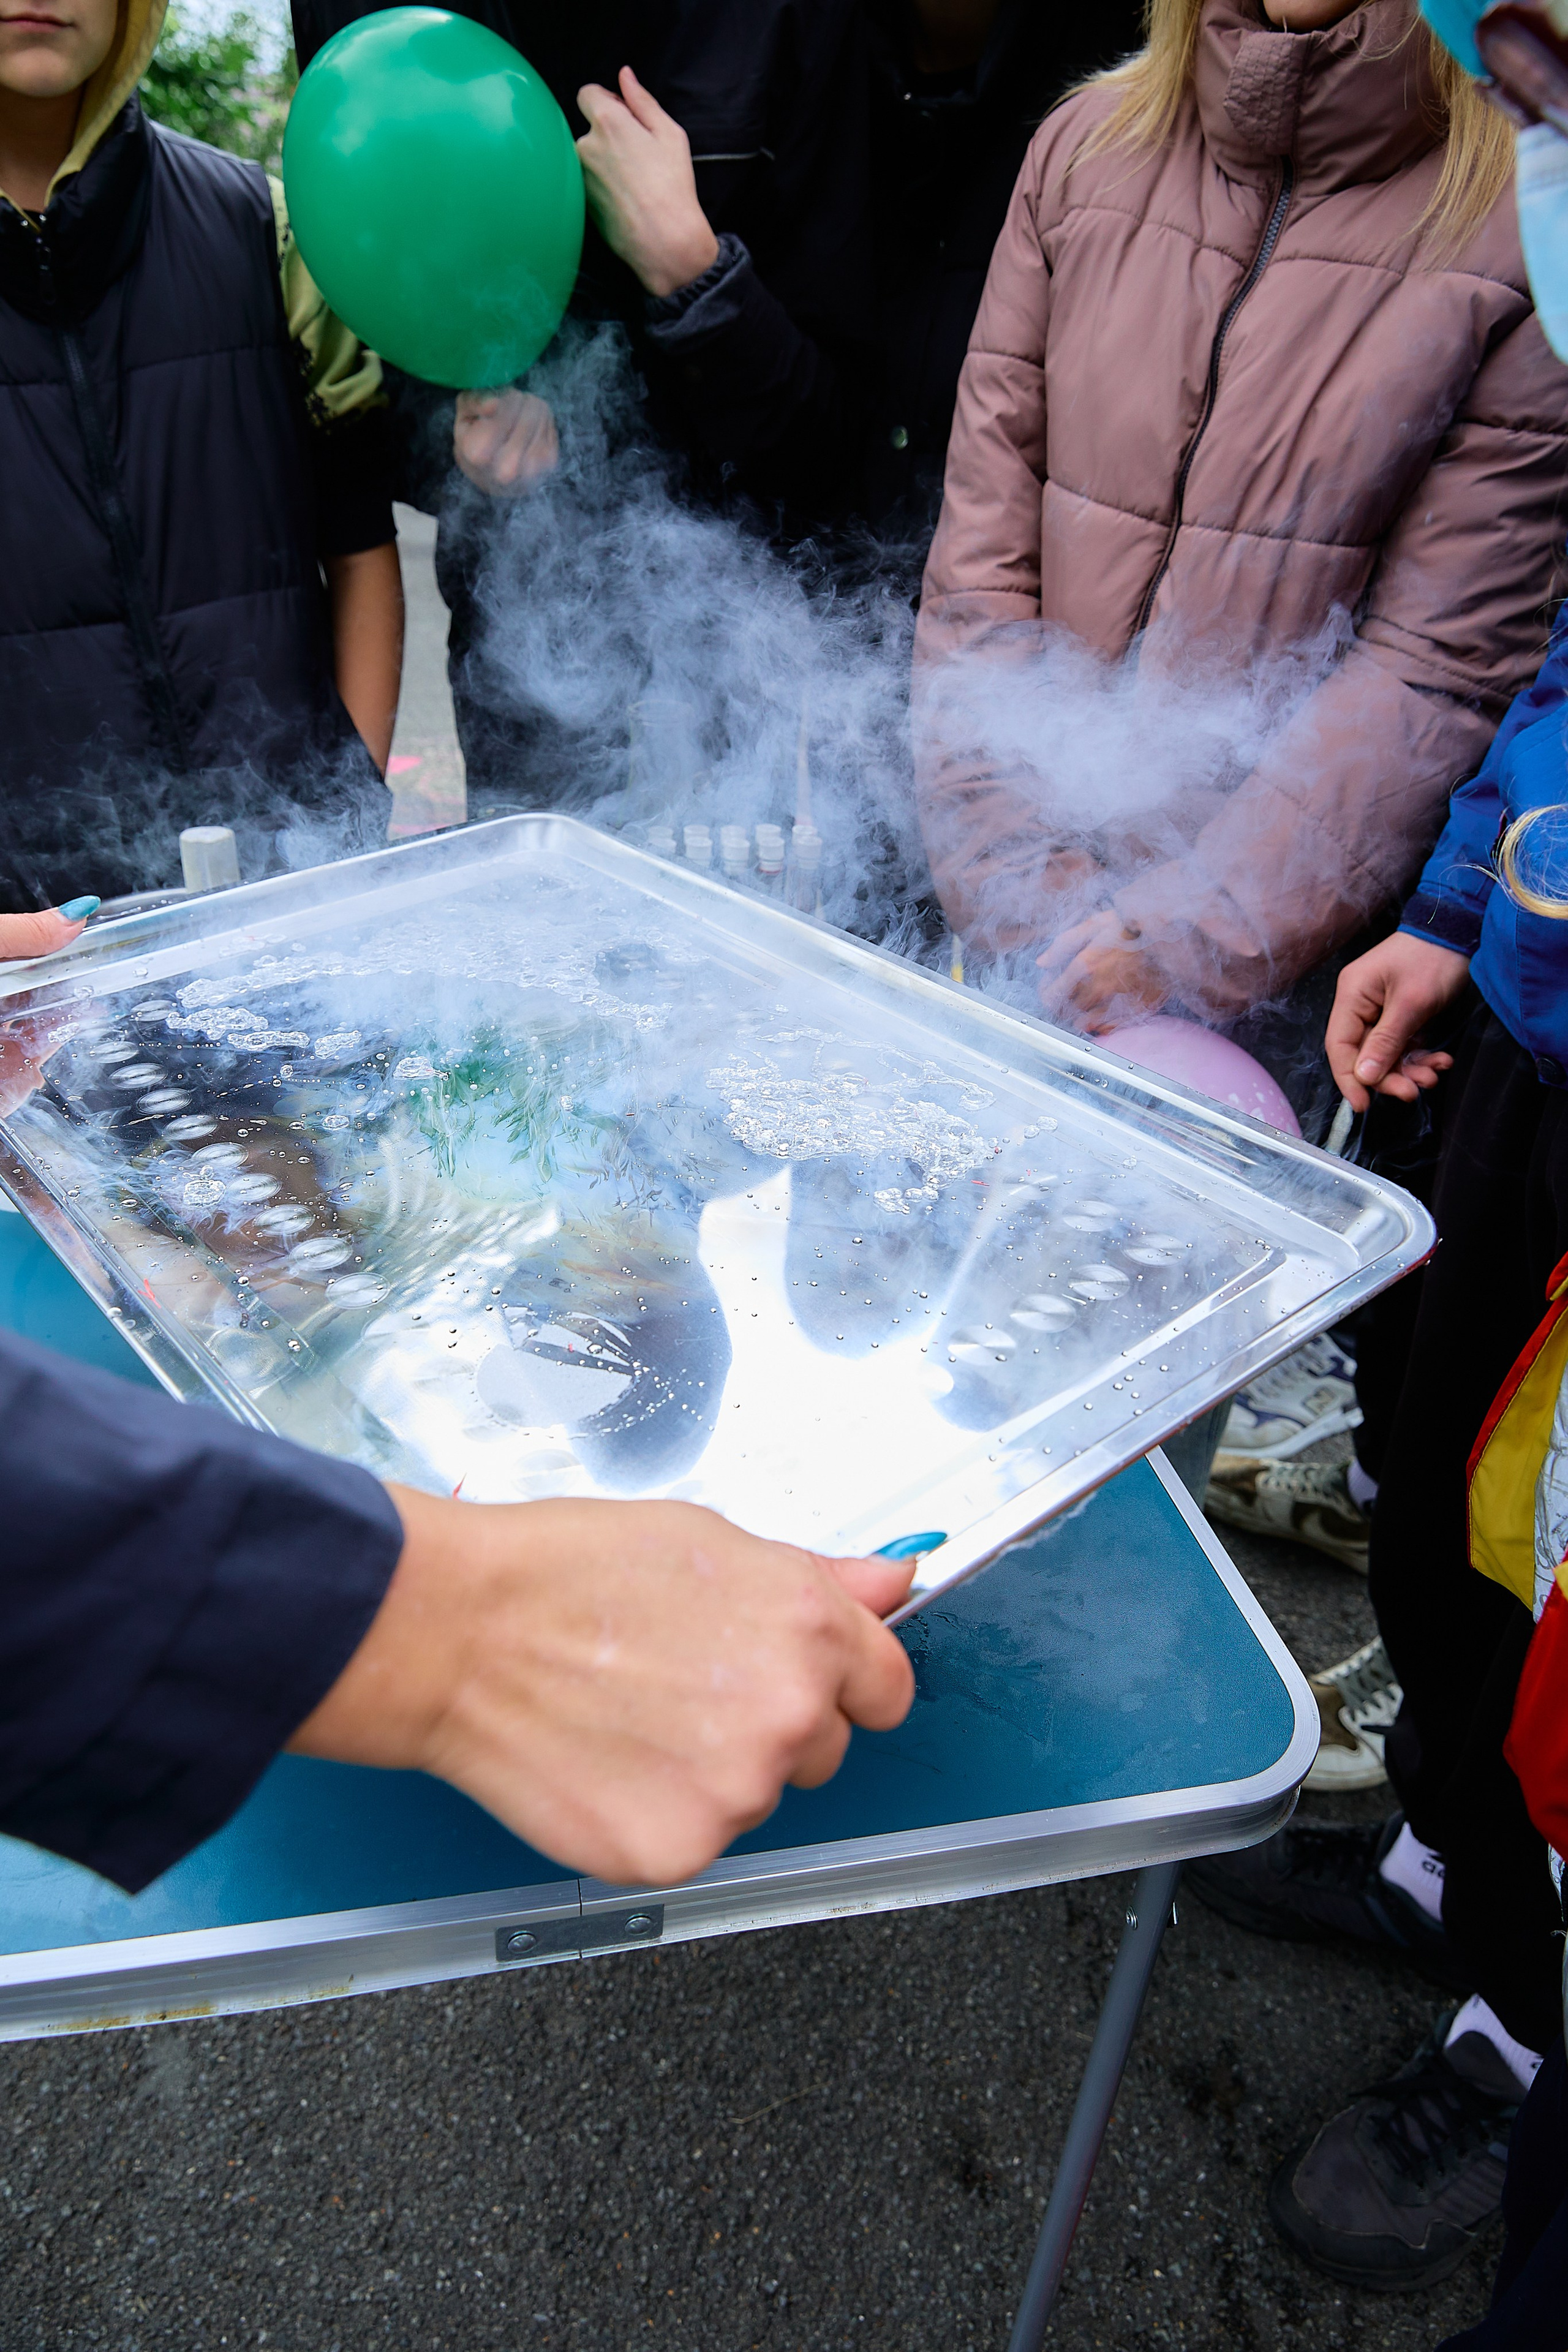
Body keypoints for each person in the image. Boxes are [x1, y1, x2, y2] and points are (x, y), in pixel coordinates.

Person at [0, 897, 917, 1890]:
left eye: (560, 1326)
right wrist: (446, 1632)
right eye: (574, 1323)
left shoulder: (473, 1186)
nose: (542, 1320)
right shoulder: (450, 1171)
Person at [913, 0, 1568, 1076]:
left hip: (1278, 1000)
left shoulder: (1520, 218)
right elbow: (979, 564)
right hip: (1014, 946)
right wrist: (1021, 893)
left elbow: (1438, 665)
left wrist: (1182, 937)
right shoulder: (1083, 149)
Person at [288, 0, 1143, 800]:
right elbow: (376, 374)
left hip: (767, 680)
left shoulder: (789, 24)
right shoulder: (369, 28)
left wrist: (695, 278)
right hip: (525, 683)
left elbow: (839, 436)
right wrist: (459, 440)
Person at [0, 0, 405, 911]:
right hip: (29, 968)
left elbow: (359, 541)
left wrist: (349, 815)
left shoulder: (264, 228)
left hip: (293, 913)